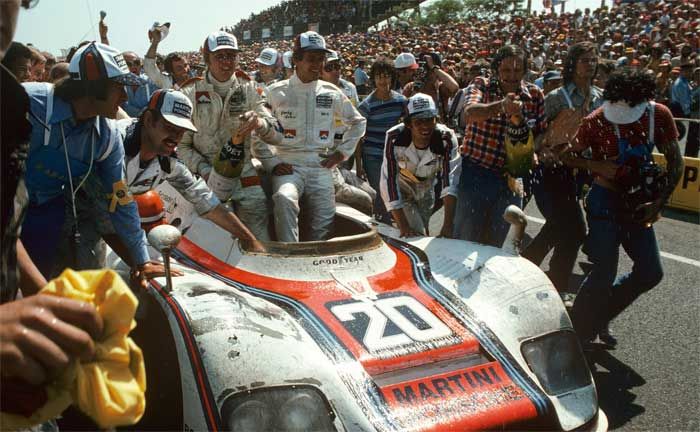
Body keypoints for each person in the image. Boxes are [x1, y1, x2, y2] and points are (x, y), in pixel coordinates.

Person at [563, 68, 683, 346]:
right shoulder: (596, 120)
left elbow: (676, 163)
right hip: (604, 200)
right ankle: (578, 334)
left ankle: (599, 314)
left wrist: (658, 202)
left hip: (639, 204)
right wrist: (596, 165)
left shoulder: (659, 115)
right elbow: (569, 156)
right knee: (604, 271)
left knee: (651, 272)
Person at [21, 42, 152, 282]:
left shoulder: (108, 137)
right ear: (94, 86)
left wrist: (141, 258)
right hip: (6, 204)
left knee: (34, 283)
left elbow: (121, 199)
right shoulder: (28, 102)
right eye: (119, 87)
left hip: (46, 216)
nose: (125, 97)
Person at [117, 89, 265, 252]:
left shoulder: (169, 162)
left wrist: (249, 240)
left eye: (181, 131)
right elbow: (104, 214)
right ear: (149, 120)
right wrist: (140, 262)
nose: (175, 137)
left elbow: (206, 200)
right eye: (170, 127)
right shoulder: (116, 146)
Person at [256, 31, 366, 242]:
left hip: (321, 165)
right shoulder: (275, 92)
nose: (317, 64)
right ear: (296, 59)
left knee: (325, 215)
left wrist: (341, 154)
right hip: (288, 164)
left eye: (320, 59)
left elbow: (359, 122)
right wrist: (271, 163)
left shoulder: (331, 92)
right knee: (283, 198)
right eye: (311, 59)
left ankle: (315, 261)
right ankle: (289, 254)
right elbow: (257, 132)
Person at [178, 30, 278, 241]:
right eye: (220, 56)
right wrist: (203, 170)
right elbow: (182, 146)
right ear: (207, 59)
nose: (226, 62)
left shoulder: (249, 88)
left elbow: (275, 133)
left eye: (231, 55)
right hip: (208, 176)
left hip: (246, 175)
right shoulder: (189, 93)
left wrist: (259, 123)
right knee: (218, 238)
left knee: (260, 234)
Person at [523, 42, 604, 294]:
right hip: (552, 171)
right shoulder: (557, 98)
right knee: (572, 228)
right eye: (584, 60)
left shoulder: (600, 97)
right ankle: (537, 274)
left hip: (579, 172)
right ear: (572, 64)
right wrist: (541, 150)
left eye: (593, 60)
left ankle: (546, 281)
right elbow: (532, 132)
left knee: (564, 230)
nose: (589, 65)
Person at [455, 45, 546, 247]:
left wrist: (533, 150)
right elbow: (470, 113)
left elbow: (540, 132)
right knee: (466, 240)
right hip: (476, 173)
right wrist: (502, 106)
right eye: (506, 70)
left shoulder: (535, 94)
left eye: (517, 70)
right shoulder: (482, 85)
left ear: (525, 70)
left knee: (504, 243)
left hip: (512, 177)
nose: (512, 76)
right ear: (496, 70)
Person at [380, 93, 460, 237]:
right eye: (419, 122)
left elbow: (451, 180)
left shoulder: (447, 138)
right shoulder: (393, 137)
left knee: (428, 231)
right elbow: (388, 181)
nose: (425, 126)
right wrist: (403, 226)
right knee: (416, 232)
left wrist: (448, 225)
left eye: (430, 120)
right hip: (402, 189)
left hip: (428, 188)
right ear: (408, 124)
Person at [356, 59, 406, 223]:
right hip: (373, 155)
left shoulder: (401, 101)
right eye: (379, 77)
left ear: (392, 77)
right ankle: (384, 226)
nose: (383, 81)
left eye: (386, 76)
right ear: (373, 80)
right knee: (380, 192)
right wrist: (359, 166)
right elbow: (358, 137)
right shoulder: (366, 105)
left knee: (394, 191)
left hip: (394, 155)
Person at [402, 53, 459, 122]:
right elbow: (405, 108)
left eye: (429, 70)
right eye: (422, 69)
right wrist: (417, 87)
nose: (426, 73)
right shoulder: (410, 87)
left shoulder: (440, 87)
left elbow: (454, 87)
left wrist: (433, 67)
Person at [121, 50, 159, 117]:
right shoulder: (118, 84)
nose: (133, 66)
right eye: (128, 64)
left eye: (136, 63)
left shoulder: (151, 82)